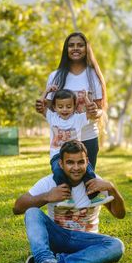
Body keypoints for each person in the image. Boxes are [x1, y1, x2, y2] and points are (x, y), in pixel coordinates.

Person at [13, 140, 125, 263]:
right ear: (61, 163)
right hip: (59, 238)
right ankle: (45, 259)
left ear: (87, 162)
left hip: (85, 241)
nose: (76, 167)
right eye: (70, 162)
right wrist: (47, 196)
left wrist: (112, 188)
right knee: (32, 212)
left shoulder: (96, 183)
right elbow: (17, 207)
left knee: (116, 246)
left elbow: (119, 214)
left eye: (80, 162)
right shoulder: (50, 182)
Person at [36, 32, 107, 170]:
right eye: (71, 45)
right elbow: (50, 110)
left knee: (88, 183)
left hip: (88, 137)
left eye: (80, 45)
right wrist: (41, 107)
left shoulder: (94, 76)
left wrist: (94, 112)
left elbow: (100, 110)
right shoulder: (55, 76)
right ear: (66, 49)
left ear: (86, 49)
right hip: (63, 141)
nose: (75, 48)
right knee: (64, 182)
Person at [38, 86, 99, 200]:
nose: (64, 109)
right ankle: (66, 198)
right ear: (54, 107)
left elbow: (90, 112)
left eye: (68, 106)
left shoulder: (78, 118)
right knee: (58, 174)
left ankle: (93, 196)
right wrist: (47, 91)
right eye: (60, 106)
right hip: (57, 155)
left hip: (76, 154)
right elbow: (41, 106)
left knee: (89, 172)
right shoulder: (52, 117)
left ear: (74, 107)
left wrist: (85, 97)